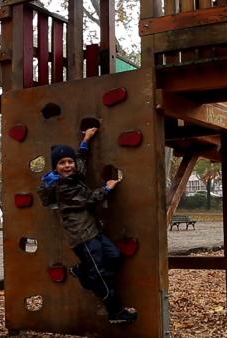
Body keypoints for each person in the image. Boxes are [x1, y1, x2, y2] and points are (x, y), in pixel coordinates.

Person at [37, 127, 137, 325]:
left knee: (115, 256)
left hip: (92, 230)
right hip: (82, 236)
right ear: (55, 167)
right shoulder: (62, 186)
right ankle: (115, 312)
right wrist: (107, 188)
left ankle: (83, 271)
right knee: (101, 275)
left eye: (69, 162)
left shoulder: (72, 175)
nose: (67, 166)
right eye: (62, 163)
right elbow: (89, 199)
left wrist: (86, 140)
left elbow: (80, 164)